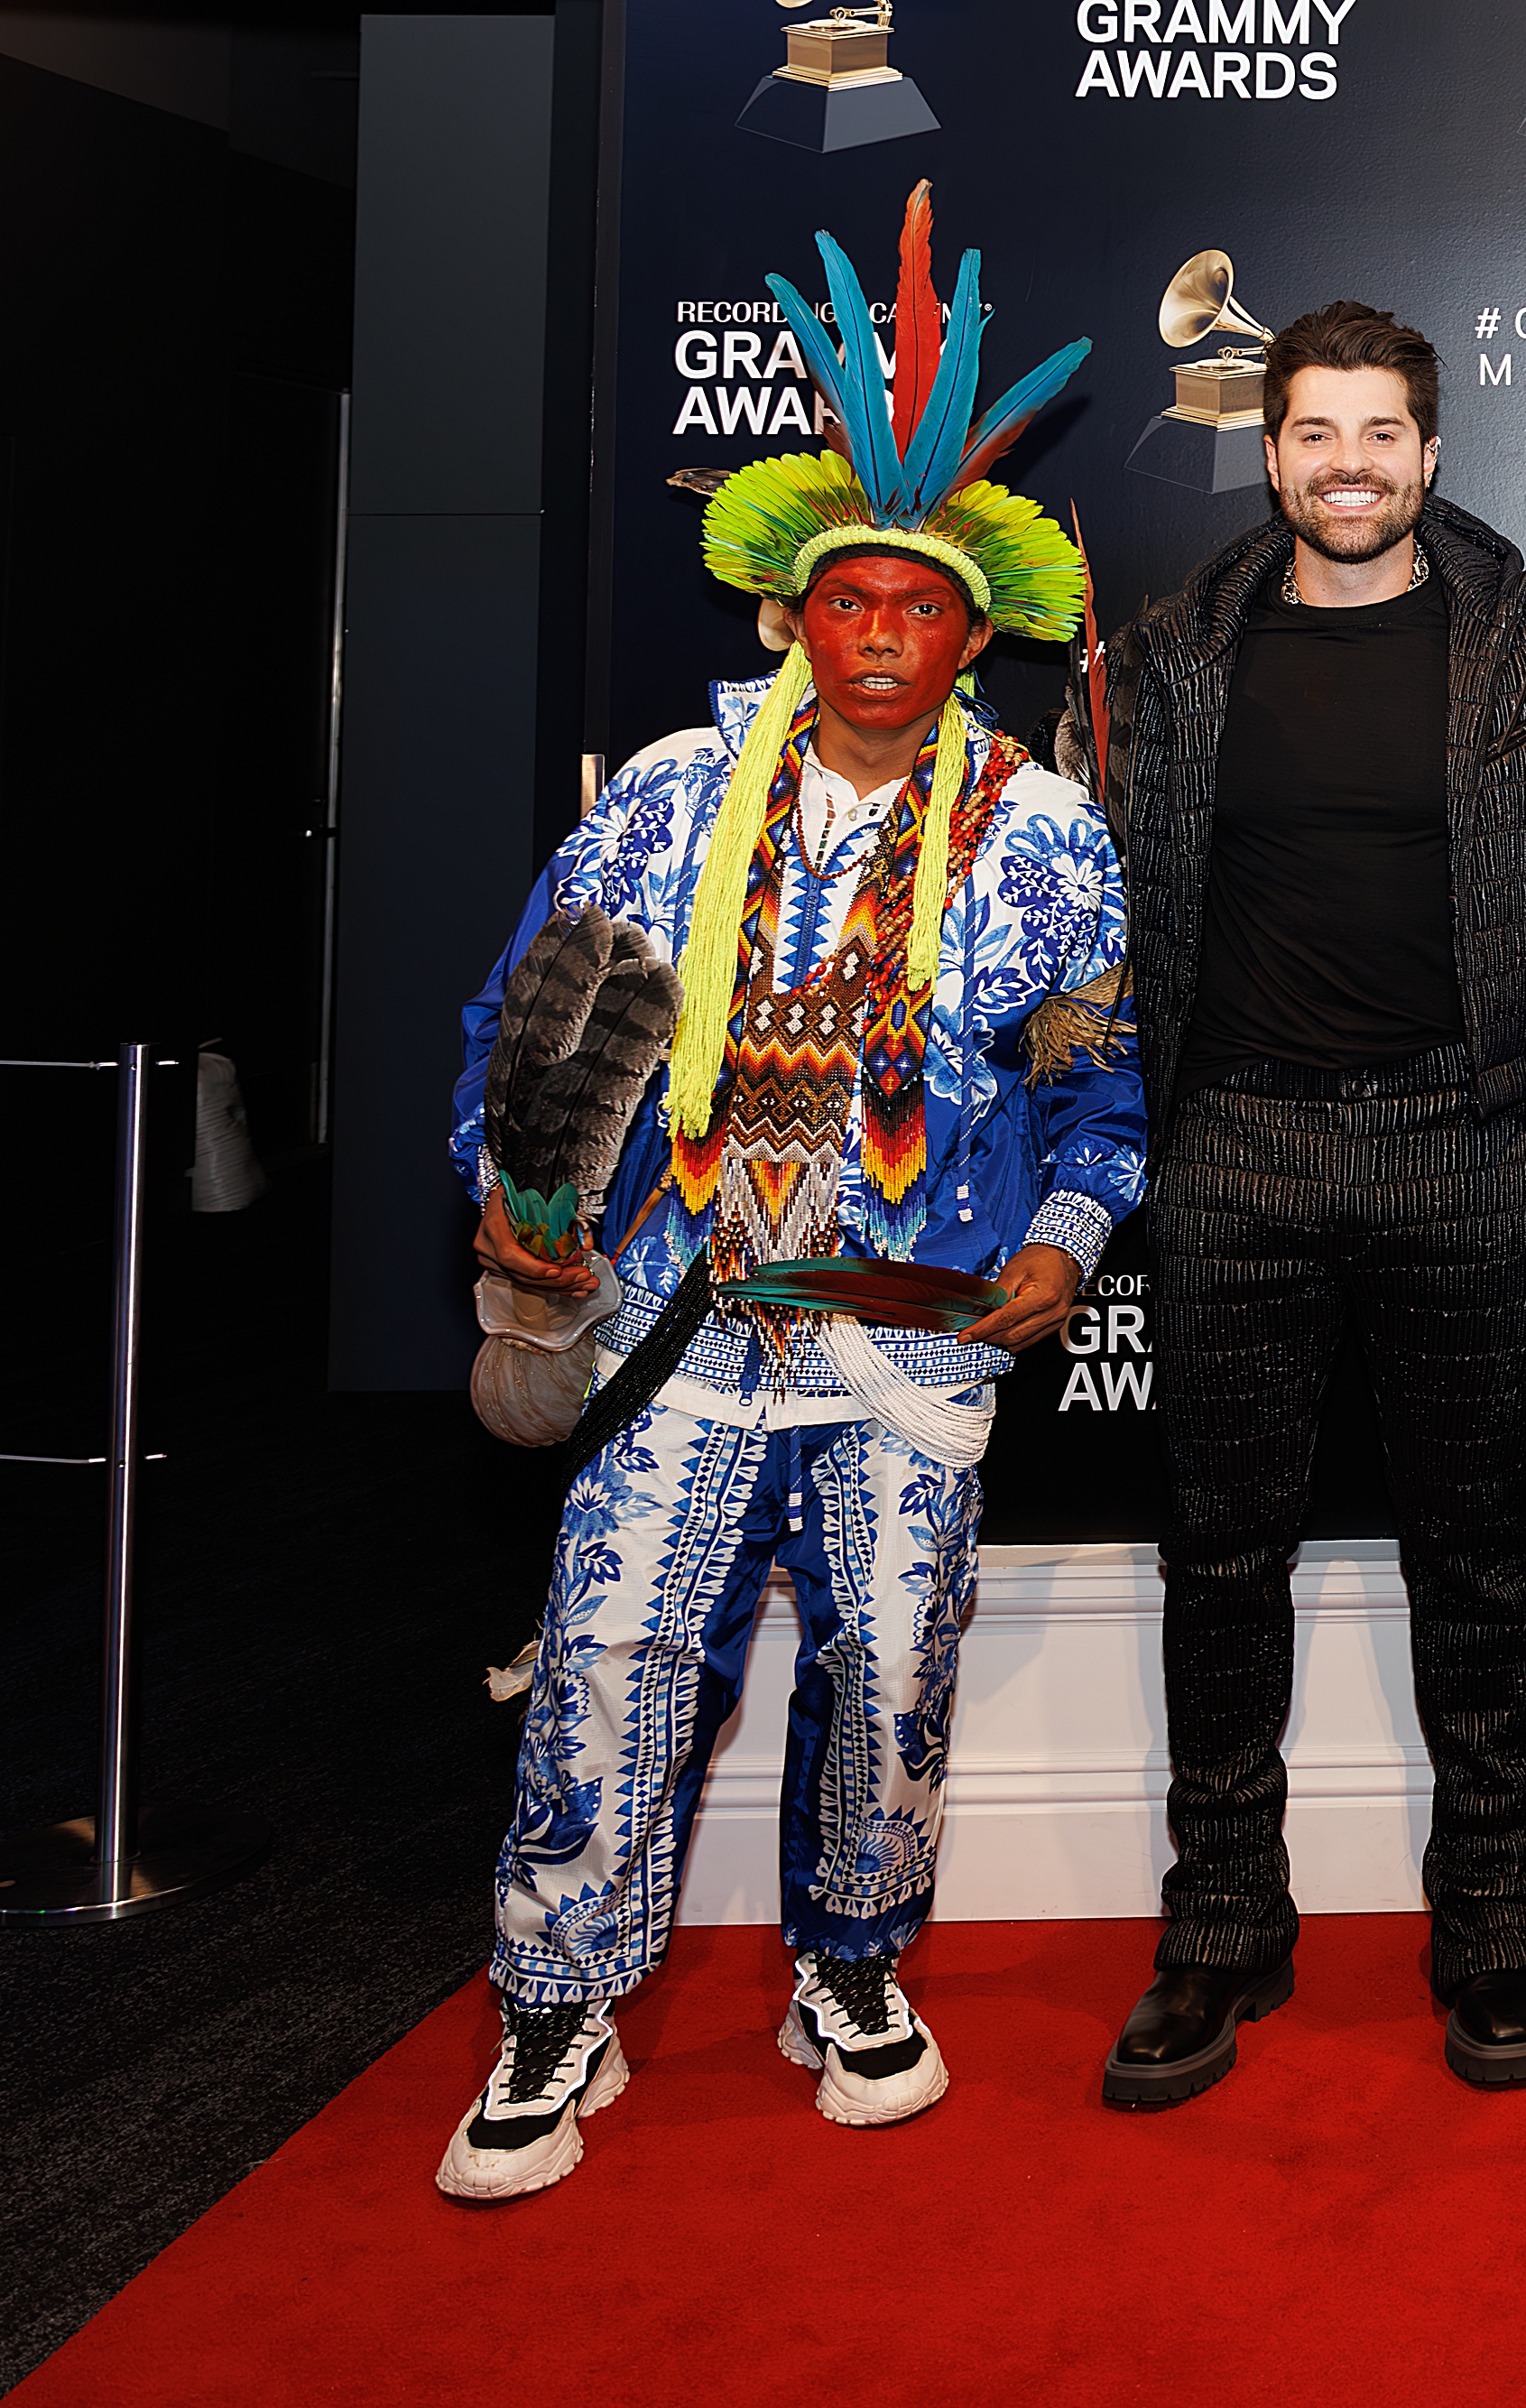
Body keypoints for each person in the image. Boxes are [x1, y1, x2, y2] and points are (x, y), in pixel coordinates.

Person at [439, 189, 1140, 2200]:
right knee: (608, 1651)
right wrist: (518, 1198)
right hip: (672, 1318)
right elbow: (528, 1022)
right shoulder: (667, 790)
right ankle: (558, 1999)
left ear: (971, 630)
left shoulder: (1056, 847)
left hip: (905, 1328)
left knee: (894, 1658)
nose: (880, 639)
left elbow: (1104, 1106)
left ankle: (848, 1958)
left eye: (918, 607)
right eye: (848, 602)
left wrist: (1055, 1247)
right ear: (794, 615)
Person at [1091, 301, 1526, 2106]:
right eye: (1313, 433)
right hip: (1234, 1151)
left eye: (1379, 433)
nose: (1347, 463)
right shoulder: (1168, 658)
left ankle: (1493, 1914)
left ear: (1427, 456)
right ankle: (1219, 1923)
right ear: (1267, 456)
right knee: (1219, 1559)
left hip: (1459, 1150)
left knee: (1475, 1565)